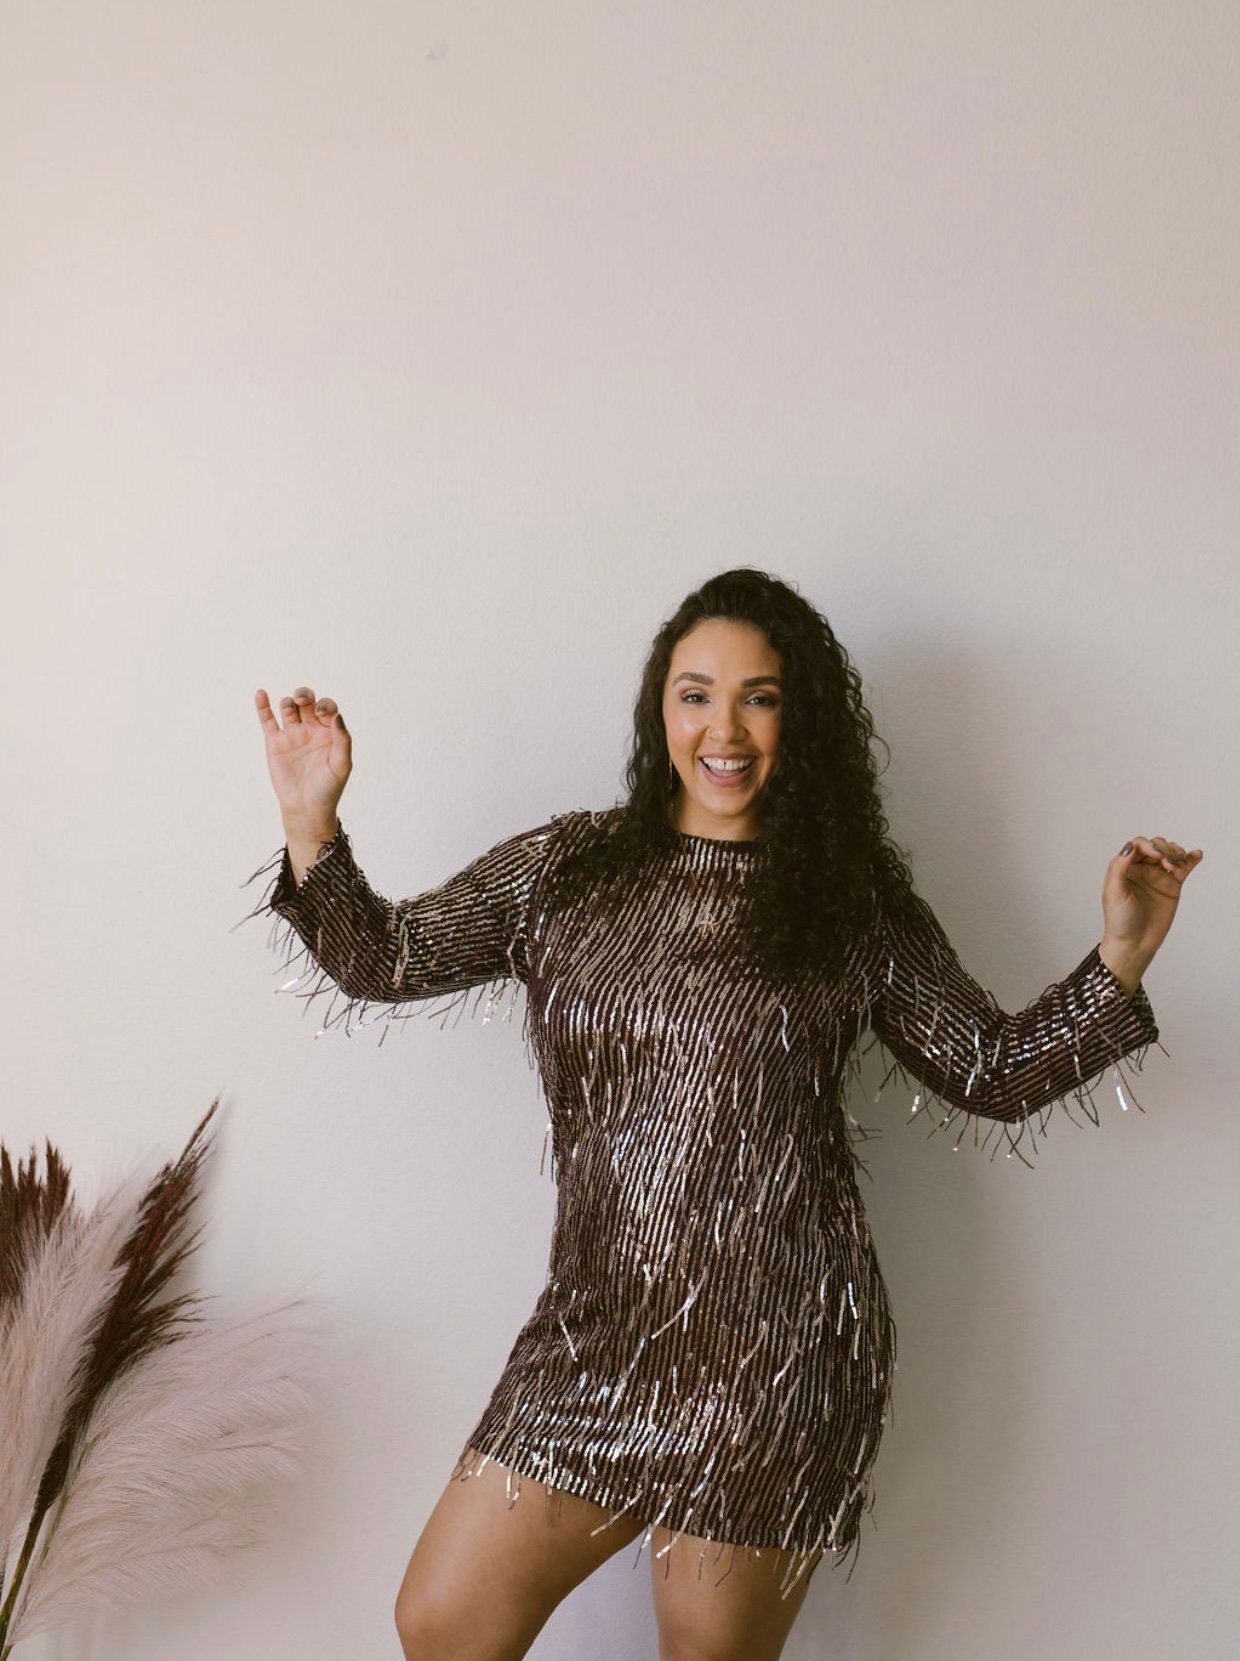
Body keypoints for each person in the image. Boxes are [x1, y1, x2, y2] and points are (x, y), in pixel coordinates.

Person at [241, 568, 1199, 1661]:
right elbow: (388, 956)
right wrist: (310, 818)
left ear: (802, 719)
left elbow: (988, 1066)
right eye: (697, 692)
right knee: (446, 1620)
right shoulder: (567, 867)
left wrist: (1121, 950)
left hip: (779, 1348)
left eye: (762, 695)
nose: (725, 726)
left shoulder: (849, 904)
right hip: (593, 1335)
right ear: (661, 709)